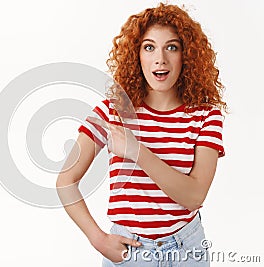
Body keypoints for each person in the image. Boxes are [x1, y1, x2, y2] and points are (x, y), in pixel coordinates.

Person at [56, 2, 226, 266]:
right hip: (129, 253)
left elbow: (194, 196)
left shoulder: (205, 115)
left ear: (186, 55)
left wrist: (136, 151)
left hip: (187, 250)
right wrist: (98, 239)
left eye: (172, 47)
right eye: (149, 47)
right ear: (137, 55)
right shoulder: (111, 112)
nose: (160, 59)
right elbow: (66, 181)